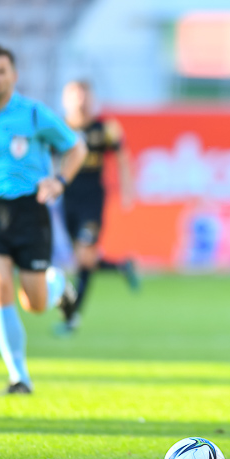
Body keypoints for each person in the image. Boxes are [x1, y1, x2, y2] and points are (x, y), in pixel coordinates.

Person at [0, 45, 88, 394]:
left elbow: (76, 148)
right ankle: (18, 376)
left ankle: (57, 287)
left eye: (1, 71)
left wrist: (59, 180)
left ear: (14, 75)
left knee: (34, 302)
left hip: (29, 211)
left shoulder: (34, 114)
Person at [58, 79, 139, 332]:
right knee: (84, 259)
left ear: (91, 99)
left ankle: (72, 318)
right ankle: (121, 267)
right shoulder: (59, 128)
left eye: (84, 96)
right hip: (67, 199)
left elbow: (122, 156)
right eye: (75, 96)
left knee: (84, 257)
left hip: (92, 199)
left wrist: (127, 190)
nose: (80, 101)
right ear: (66, 100)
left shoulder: (105, 128)